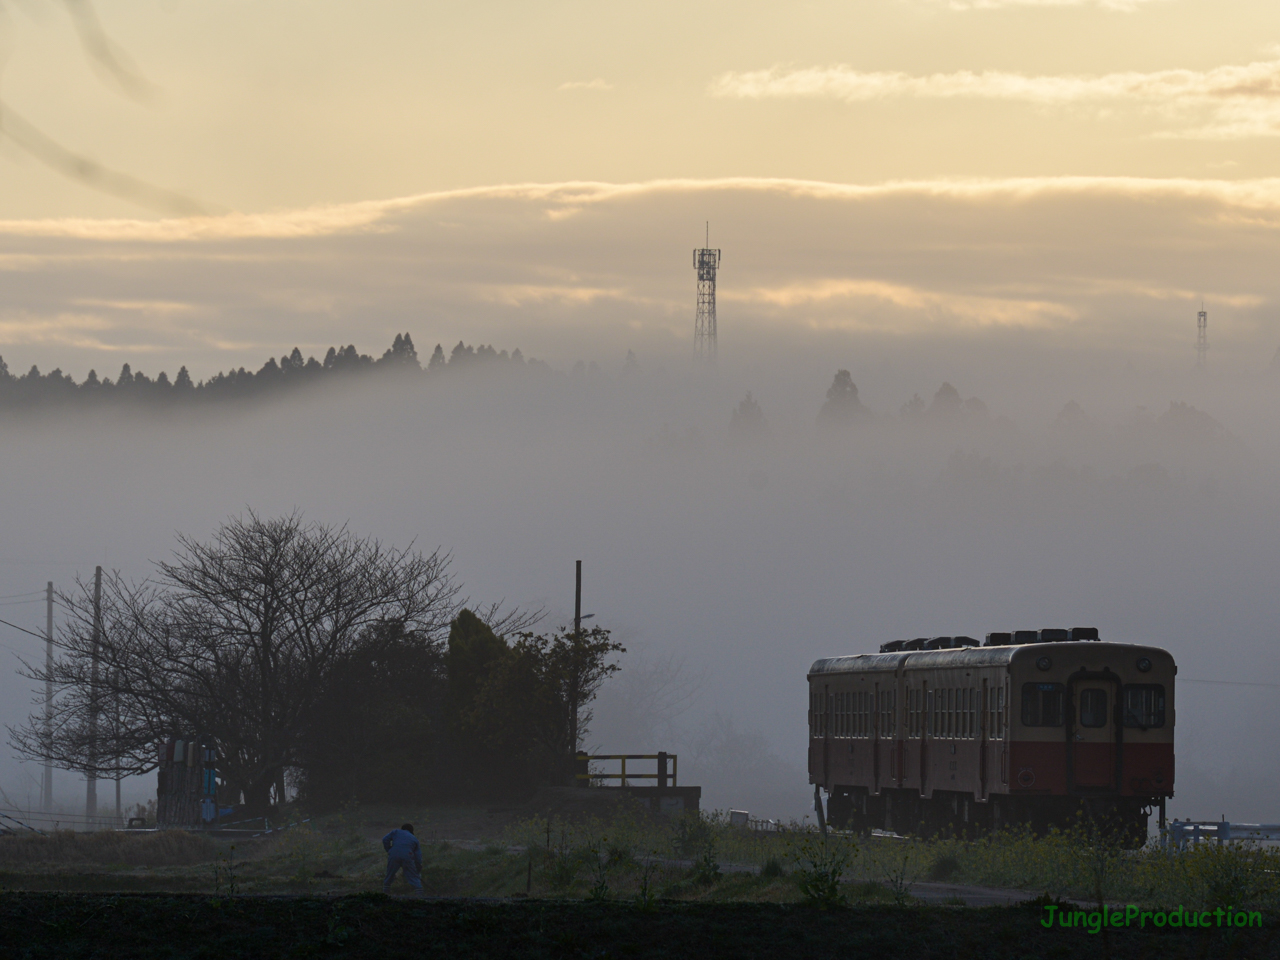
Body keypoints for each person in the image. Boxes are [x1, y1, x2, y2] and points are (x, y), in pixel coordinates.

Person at [382, 822, 423, 895]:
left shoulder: (396, 832)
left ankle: (385, 894)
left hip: (394, 855)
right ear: (411, 831)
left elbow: (385, 839)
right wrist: (418, 867)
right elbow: (418, 856)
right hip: (407, 856)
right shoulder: (414, 839)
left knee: (390, 874)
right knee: (413, 876)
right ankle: (419, 895)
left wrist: (389, 850)